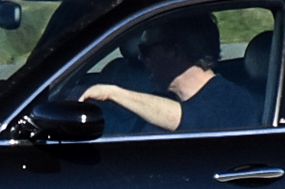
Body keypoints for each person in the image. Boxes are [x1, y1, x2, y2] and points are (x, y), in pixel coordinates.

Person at [78, 11, 259, 134]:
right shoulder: (164, 101)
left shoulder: (234, 102)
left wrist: (113, 93)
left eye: (146, 49)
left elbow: (188, 119)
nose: (140, 58)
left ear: (175, 51)